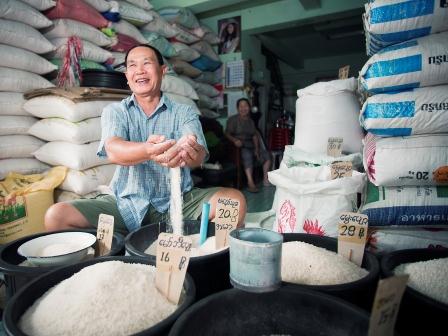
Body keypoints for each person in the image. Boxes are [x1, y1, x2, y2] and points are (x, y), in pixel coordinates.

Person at [45, 44, 246, 235]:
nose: (139, 70)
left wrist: (189, 152)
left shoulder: (184, 112)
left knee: (233, 202)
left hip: (179, 201)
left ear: (162, 70)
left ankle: (209, 259)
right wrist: (149, 150)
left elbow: (199, 154)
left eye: (147, 63)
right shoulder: (116, 111)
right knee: (57, 216)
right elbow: (114, 150)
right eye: (132, 65)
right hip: (125, 204)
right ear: (126, 76)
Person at [225, 98, 272, 193]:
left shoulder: (251, 121)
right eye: (241, 106)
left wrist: (257, 149)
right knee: (247, 155)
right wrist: (235, 140)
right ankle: (250, 182)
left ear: (249, 108)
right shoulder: (233, 119)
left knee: (267, 155)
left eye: (245, 106)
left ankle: (265, 179)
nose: (243, 108)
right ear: (238, 108)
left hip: (250, 145)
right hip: (240, 147)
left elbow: (254, 136)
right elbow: (226, 133)